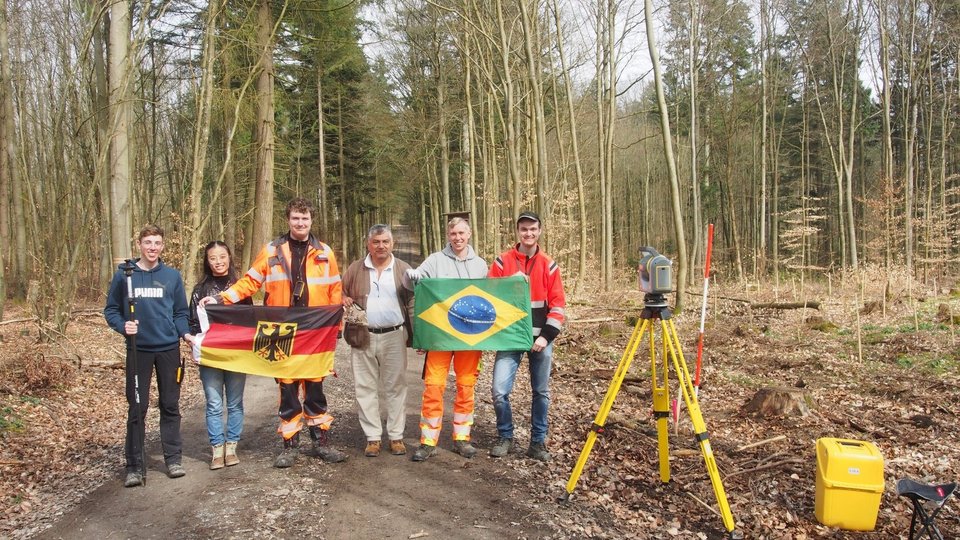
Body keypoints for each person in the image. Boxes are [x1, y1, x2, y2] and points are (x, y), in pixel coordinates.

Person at [200, 197, 347, 468]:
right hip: (280, 330)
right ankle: (290, 444)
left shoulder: (325, 252)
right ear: (288, 220)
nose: (300, 223)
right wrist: (222, 299)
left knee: (315, 387)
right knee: (288, 389)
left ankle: (320, 443)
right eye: (295, 218)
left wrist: (335, 328)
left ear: (311, 220)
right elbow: (250, 282)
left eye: (305, 218)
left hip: (314, 330)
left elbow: (334, 291)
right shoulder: (271, 250)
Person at [104, 224, 192, 487]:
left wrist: (185, 334)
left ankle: (173, 459)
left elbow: (180, 313)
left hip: (167, 349)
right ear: (139, 244)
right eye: (148, 242)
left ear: (163, 246)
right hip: (138, 350)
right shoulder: (125, 276)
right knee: (137, 407)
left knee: (169, 404)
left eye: (157, 243)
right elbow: (111, 311)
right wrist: (123, 326)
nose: (153, 247)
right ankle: (134, 465)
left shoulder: (172, 276)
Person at [405, 217, 488, 462]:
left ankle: (462, 438)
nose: (458, 238)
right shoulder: (435, 260)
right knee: (433, 387)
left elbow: (489, 300)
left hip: (469, 338)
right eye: (453, 233)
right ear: (448, 235)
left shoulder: (481, 265)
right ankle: (428, 440)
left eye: (462, 233)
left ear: (469, 233)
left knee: (466, 387)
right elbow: (416, 281)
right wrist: (413, 277)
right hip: (440, 336)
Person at [487, 211, 566, 462]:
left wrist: (546, 336)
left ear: (539, 231)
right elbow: (487, 296)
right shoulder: (502, 262)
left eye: (533, 229)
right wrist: (509, 281)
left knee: (540, 392)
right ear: (517, 231)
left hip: (540, 339)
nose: (528, 233)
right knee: (499, 391)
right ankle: (505, 437)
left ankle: (537, 442)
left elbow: (558, 306)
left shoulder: (549, 264)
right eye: (524, 229)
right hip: (510, 337)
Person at [341, 225, 415, 458]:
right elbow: (339, 292)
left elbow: (414, 302)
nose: (381, 246)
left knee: (396, 387)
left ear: (392, 244)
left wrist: (418, 335)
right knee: (365, 388)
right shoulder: (355, 269)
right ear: (368, 244)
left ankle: (396, 436)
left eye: (385, 241)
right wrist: (343, 298)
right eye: (376, 242)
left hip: (394, 335)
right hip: (363, 334)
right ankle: (372, 437)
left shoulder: (403, 269)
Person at [188, 241, 252, 470]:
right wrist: (193, 343)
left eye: (222, 257)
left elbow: (250, 320)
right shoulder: (199, 290)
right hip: (211, 356)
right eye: (213, 258)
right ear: (207, 261)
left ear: (229, 258)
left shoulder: (240, 287)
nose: (218, 262)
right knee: (214, 403)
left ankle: (232, 447)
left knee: (235, 403)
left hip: (236, 355)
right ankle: (217, 449)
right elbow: (194, 324)